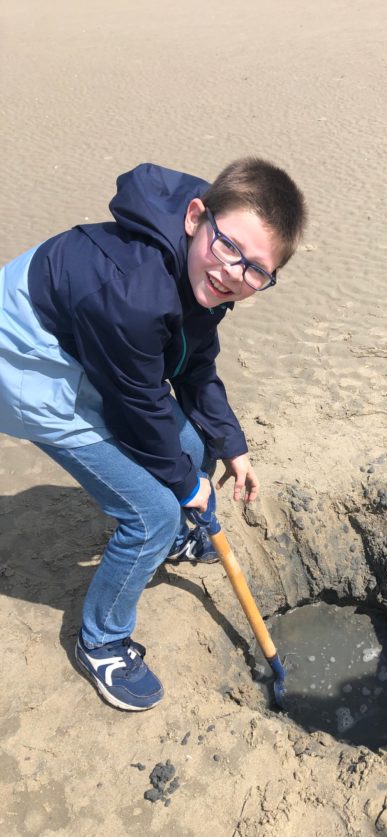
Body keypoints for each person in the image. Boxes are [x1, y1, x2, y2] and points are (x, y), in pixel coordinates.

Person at [0, 160, 306, 711]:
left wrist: (232, 446)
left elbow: (194, 365)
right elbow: (136, 407)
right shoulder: (134, 295)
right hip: (25, 361)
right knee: (151, 517)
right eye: (229, 248)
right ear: (195, 217)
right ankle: (102, 641)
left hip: (93, 350)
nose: (234, 273)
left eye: (257, 271)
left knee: (195, 446)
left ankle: (176, 533)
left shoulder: (200, 267)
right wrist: (185, 488)